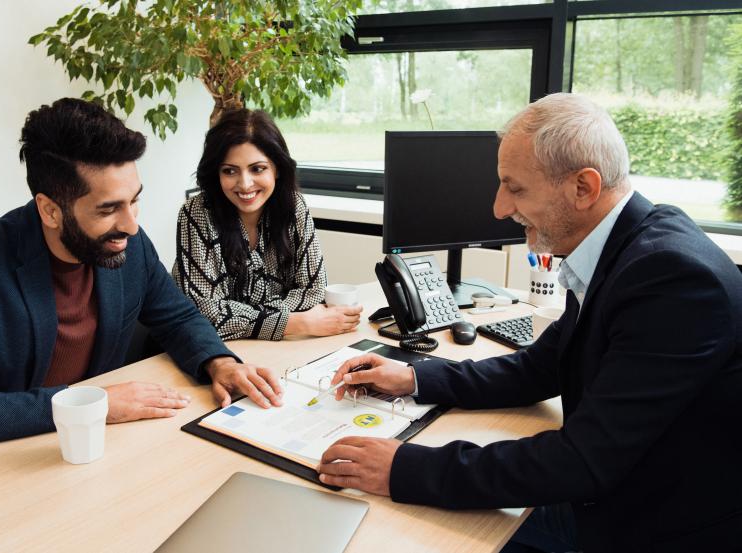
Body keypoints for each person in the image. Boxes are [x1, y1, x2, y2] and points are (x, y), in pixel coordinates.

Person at [316, 93, 742, 552]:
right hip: (623, 495)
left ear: (584, 188)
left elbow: (581, 461)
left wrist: (405, 468)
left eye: (515, 188)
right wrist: (414, 377)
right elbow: (539, 367)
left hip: (651, 528)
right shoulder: (630, 245)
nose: (499, 208)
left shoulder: (670, 280)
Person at [0, 98, 283, 451]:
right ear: (50, 211)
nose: (132, 225)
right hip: (1, 457)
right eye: (108, 209)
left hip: (99, 448)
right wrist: (92, 403)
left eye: (134, 199)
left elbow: (176, 316)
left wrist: (219, 363)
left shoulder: (126, 244)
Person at [172, 108, 362, 341]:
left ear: (277, 168)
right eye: (230, 171)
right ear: (216, 173)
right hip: (211, 350)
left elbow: (313, 291)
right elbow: (205, 312)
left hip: (275, 348)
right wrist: (294, 323)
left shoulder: (294, 206)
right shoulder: (196, 213)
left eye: (257, 168)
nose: (245, 184)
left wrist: (245, 318)